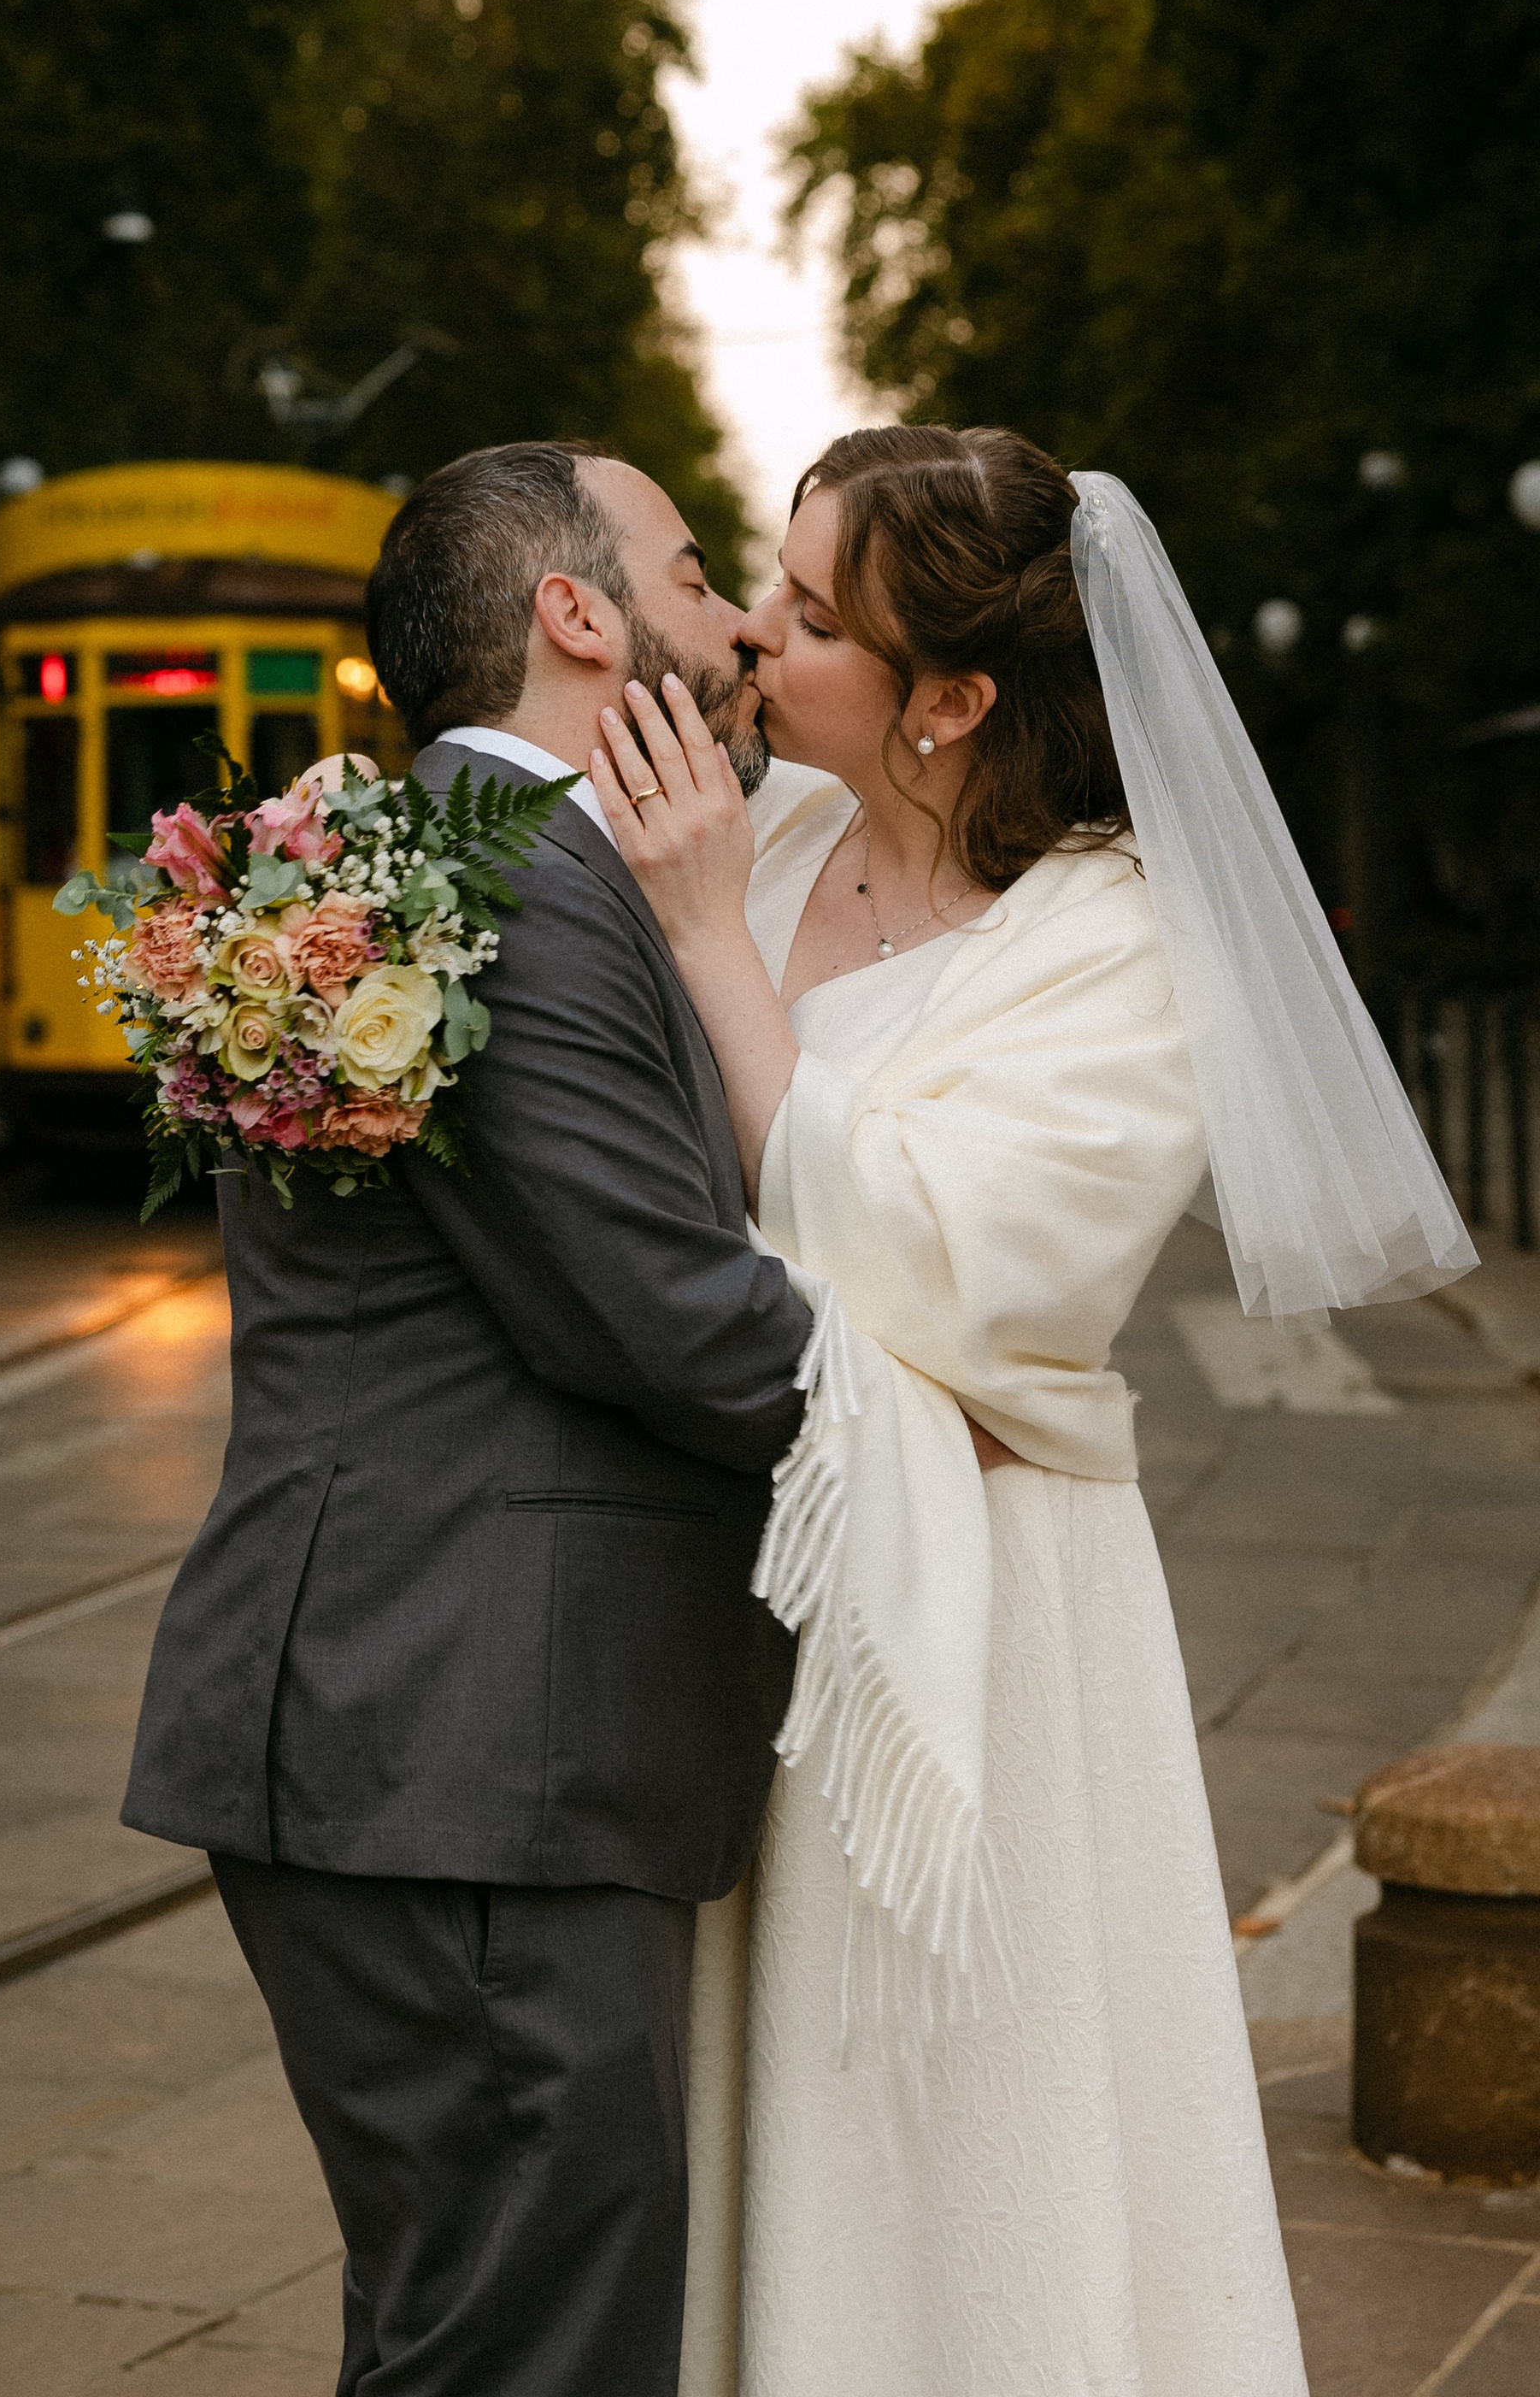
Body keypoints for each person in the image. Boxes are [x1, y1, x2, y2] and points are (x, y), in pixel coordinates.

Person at [583, 425, 1472, 2397]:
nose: (751, 625)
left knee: (961, 2108)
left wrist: (707, 945)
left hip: (976, 1622)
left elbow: (932, 1267)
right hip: (753, 1581)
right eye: (764, 578)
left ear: (953, 700)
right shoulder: (784, 834)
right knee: (777, 2085)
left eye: (811, 615)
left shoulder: (1120, 946)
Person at [121, 442, 816, 2397]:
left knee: (480, 2332)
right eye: (694, 575)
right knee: (528, 2346)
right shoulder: (505, 884)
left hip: (444, 1735)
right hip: (467, 1747)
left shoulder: (442, 859)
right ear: (576, 614)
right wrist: (964, 1420)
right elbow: (664, 1317)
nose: (739, 620)